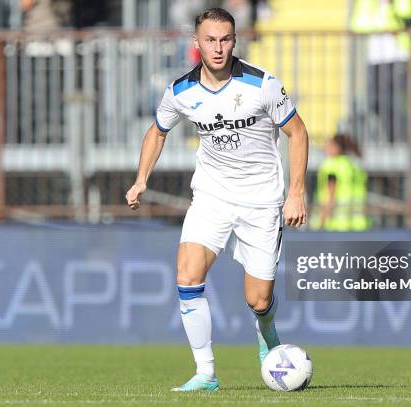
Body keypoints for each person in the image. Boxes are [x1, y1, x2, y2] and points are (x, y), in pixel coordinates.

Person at [125, 7, 308, 392]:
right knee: (187, 275)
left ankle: (267, 330)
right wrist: (141, 179)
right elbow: (157, 132)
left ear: (235, 41)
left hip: (261, 200)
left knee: (258, 300)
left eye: (225, 39)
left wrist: (296, 192)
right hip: (212, 195)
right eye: (210, 40)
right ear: (197, 43)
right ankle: (205, 372)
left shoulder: (262, 85)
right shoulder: (180, 91)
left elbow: (298, 133)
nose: (218, 47)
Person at [310, 134, 369, 231]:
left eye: (329, 145)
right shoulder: (354, 165)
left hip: (335, 221)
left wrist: (322, 220)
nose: (326, 148)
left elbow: (331, 194)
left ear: (337, 147)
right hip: (356, 221)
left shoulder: (331, 165)